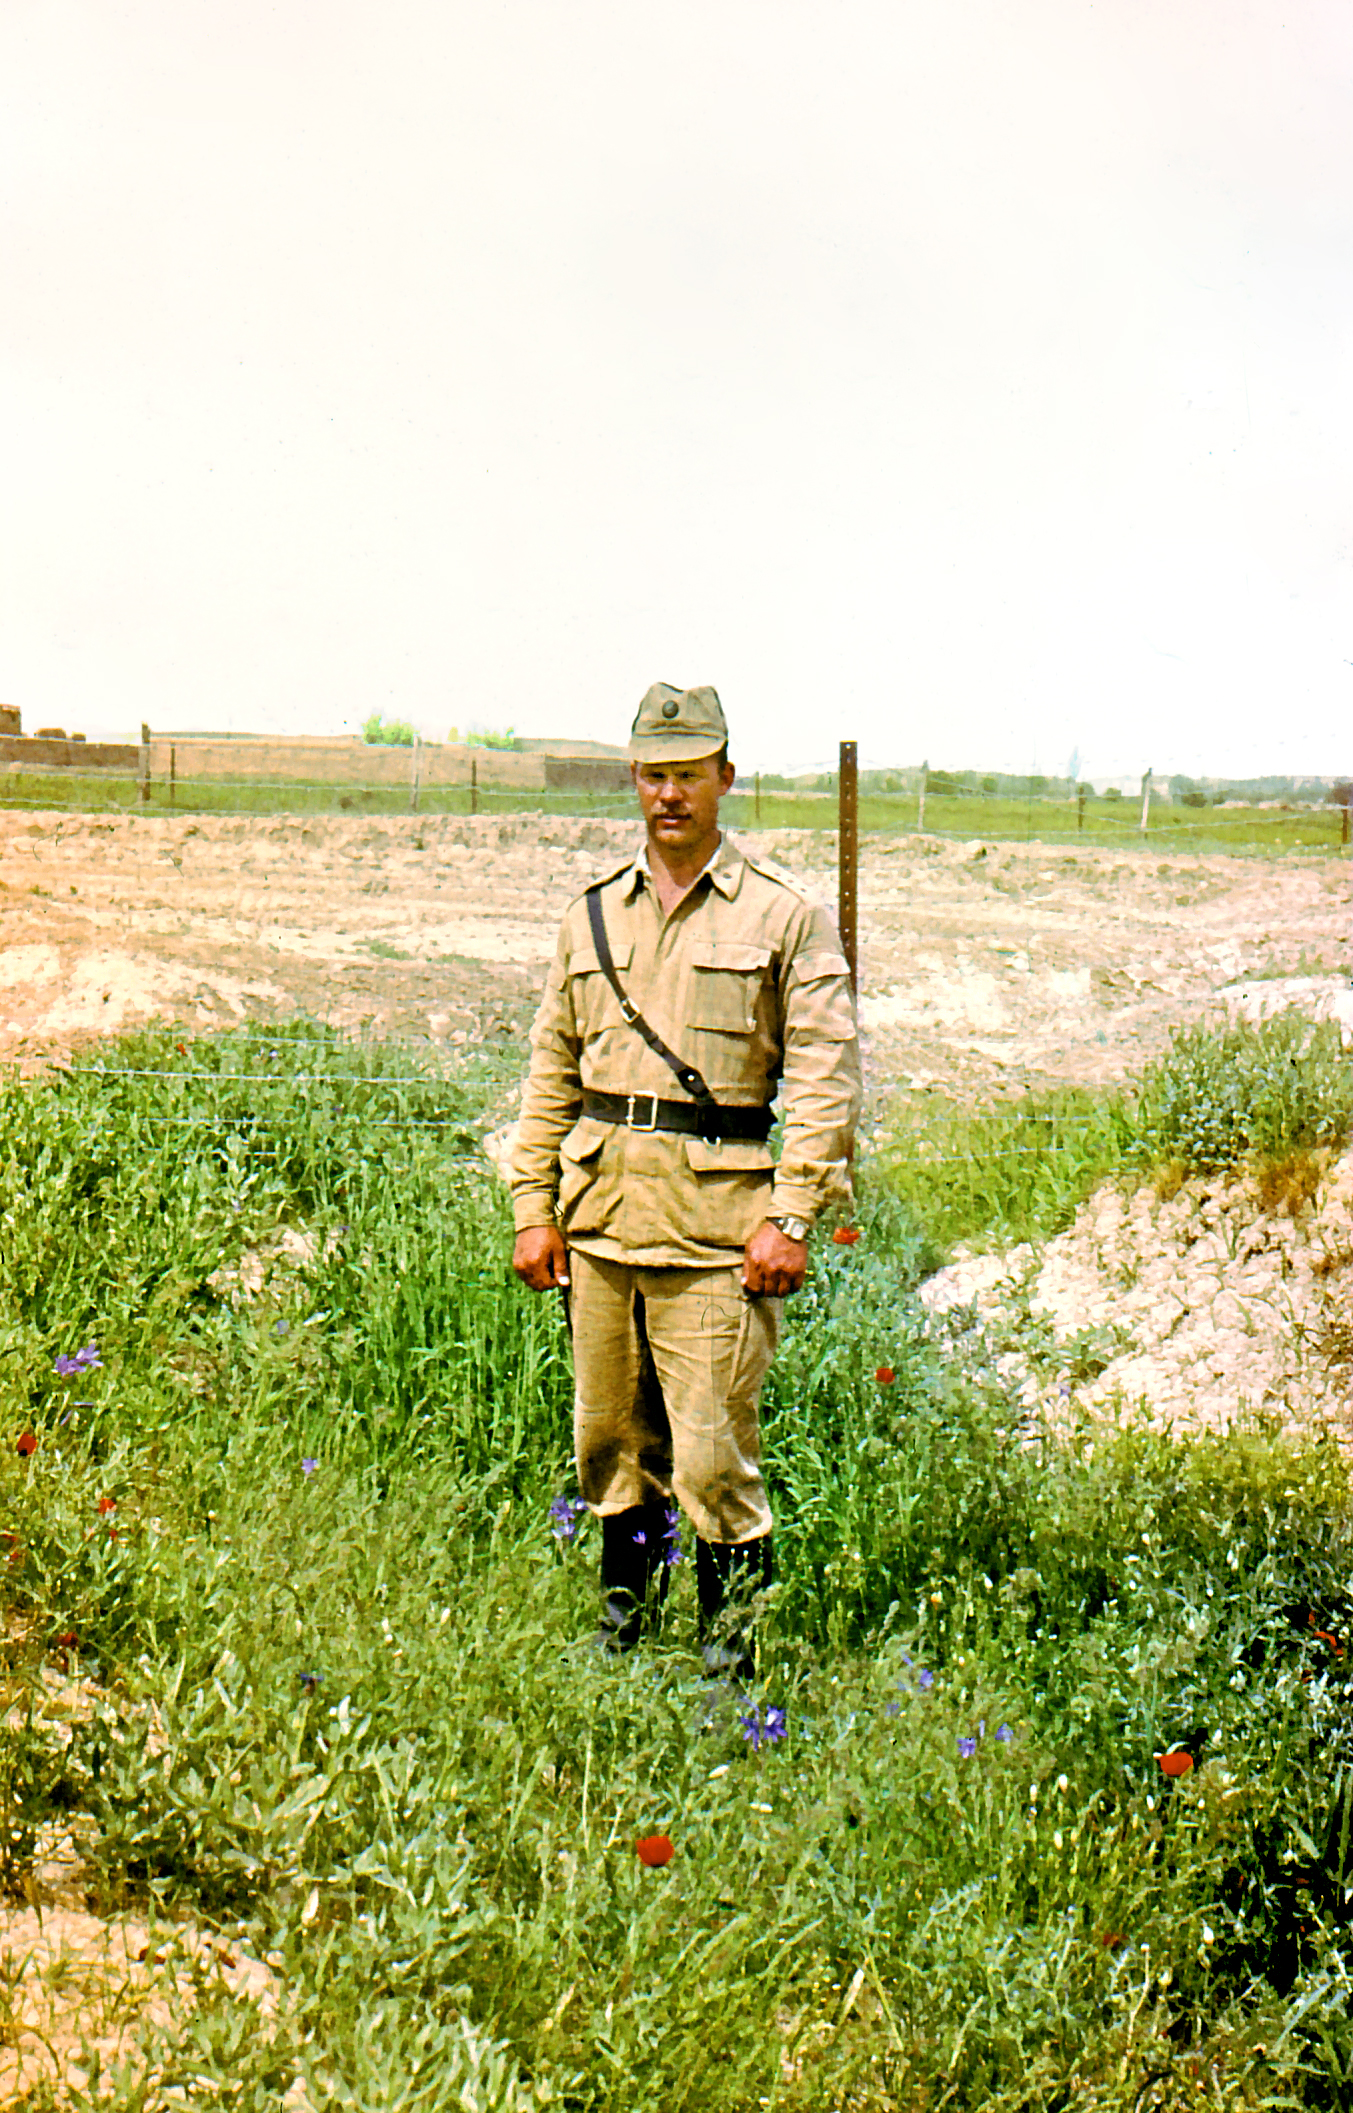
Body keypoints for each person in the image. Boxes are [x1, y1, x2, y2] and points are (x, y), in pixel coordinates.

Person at [510, 682, 861, 1679]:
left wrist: (792, 1215)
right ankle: (623, 1652)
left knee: (711, 1463)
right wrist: (533, 1207)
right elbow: (551, 1071)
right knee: (609, 1449)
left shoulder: (785, 917)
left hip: (718, 1238)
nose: (670, 794)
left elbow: (826, 1077)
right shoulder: (589, 918)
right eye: (654, 775)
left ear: (725, 778)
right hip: (602, 1229)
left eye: (690, 775)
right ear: (634, 779)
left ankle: (728, 1680)